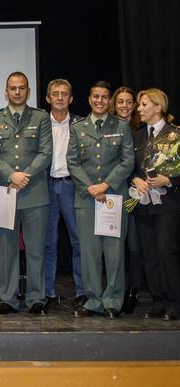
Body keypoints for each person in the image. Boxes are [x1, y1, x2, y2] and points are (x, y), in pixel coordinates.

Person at [0, 72, 53, 315]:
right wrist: (11, 175)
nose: (17, 92)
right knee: (7, 251)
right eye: (13, 88)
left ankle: (36, 298)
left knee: (36, 250)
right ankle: (8, 298)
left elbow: (46, 153)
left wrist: (25, 176)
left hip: (35, 194)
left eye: (22, 88)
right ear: (6, 92)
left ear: (28, 91)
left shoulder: (41, 117)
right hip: (5, 191)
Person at [66, 82, 134, 318]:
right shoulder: (78, 128)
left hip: (113, 197)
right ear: (89, 99)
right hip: (86, 198)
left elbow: (127, 161)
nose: (100, 101)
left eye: (104, 97)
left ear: (110, 101)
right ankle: (93, 299)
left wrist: (105, 185)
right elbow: (72, 163)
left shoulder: (121, 126)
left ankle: (113, 300)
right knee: (89, 253)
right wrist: (91, 187)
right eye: (96, 96)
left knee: (114, 253)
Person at [130, 88, 180, 320]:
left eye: (144, 104)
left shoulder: (175, 134)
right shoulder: (137, 136)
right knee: (149, 254)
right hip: (143, 204)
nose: (139, 108)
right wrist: (135, 179)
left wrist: (168, 180)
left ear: (158, 107)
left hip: (168, 203)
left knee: (165, 251)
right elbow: (130, 167)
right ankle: (158, 301)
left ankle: (174, 302)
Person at [43, 79, 85, 307]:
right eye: (55, 93)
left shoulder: (81, 124)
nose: (60, 97)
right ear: (48, 98)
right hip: (45, 187)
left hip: (72, 187)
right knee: (48, 242)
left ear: (71, 98)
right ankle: (47, 293)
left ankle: (82, 291)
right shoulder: (40, 123)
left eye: (64, 94)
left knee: (79, 241)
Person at [110, 86, 143, 313]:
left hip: (139, 197)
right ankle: (117, 291)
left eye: (129, 102)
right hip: (114, 194)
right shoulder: (109, 128)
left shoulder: (141, 130)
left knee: (135, 246)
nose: (124, 106)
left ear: (134, 105)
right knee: (116, 247)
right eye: (120, 101)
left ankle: (133, 290)